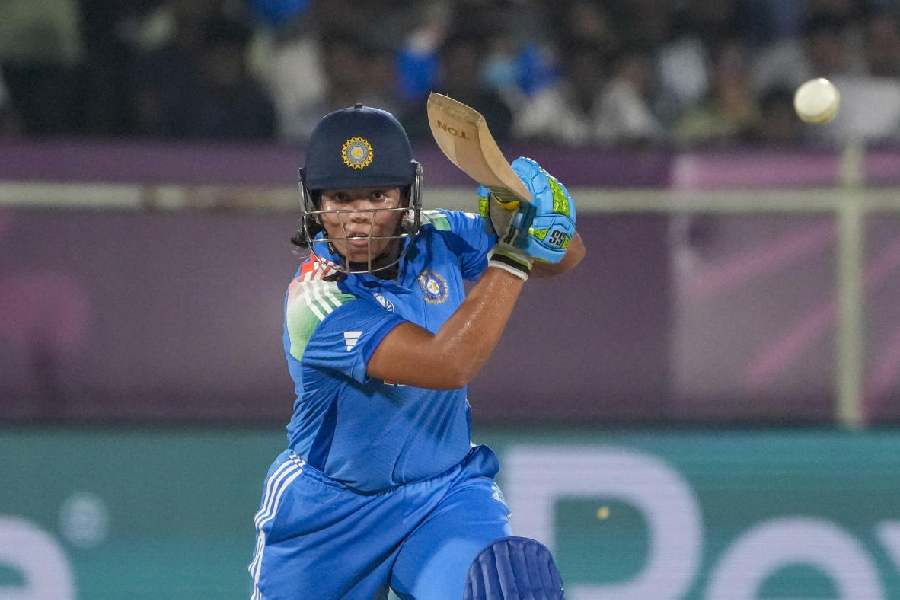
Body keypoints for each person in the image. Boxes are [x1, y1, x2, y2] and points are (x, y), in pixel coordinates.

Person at [248, 103, 585, 599]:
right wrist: (511, 253)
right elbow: (447, 363)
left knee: (504, 591)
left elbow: (564, 259)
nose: (358, 216)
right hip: (330, 517)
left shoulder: (438, 235)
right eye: (340, 198)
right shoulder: (316, 300)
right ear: (313, 200)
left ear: (407, 196)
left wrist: (538, 214)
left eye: (377, 196)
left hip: (442, 499)